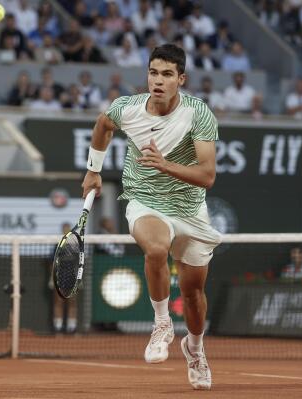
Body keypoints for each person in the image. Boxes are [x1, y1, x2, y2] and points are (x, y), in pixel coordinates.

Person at [81, 44, 221, 390]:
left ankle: (195, 348)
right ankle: (161, 324)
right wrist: (93, 170)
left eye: (167, 74)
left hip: (191, 210)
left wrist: (165, 165)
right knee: (156, 249)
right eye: (153, 72)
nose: (158, 80)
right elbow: (103, 126)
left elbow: (207, 176)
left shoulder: (198, 114)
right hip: (146, 202)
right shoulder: (126, 108)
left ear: (181, 79)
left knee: (193, 295)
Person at [49, 222, 78, 334]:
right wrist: (52, 278)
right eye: (64, 229)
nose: (66, 231)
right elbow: (52, 263)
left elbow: (80, 262)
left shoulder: (76, 245)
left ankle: (72, 326)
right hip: (59, 276)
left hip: (73, 276)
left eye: (68, 229)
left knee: (72, 302)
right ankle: (57, 326)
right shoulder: (57, 245)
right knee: (58, 301)